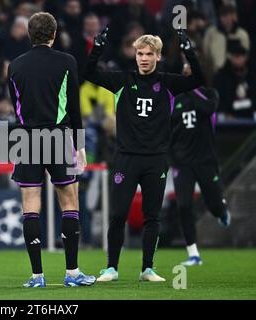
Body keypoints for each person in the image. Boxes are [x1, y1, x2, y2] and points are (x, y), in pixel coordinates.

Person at [85, 28, 204, 282]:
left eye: (149, 54)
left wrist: (189, 52)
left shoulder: (168, 83)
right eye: (140, 53)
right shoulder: (122, 80)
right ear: (135, 55)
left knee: (153, 216)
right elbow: (88, 74)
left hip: (156, 159)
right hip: (126, 158)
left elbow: (199, 79)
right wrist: (97, 48)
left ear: (158, 56)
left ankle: (147, 269)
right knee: (118, 214)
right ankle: (111, 268)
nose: (144, 58)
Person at [8, 12, 96, 288]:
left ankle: (37, 277)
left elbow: (17, 108)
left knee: (30, 206)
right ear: (53, 35)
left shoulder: (15, 66)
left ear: (29, 34)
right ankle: (72, 273)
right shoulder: (67, 62)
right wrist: (79, 145)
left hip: (27, 138)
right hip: (58, 136)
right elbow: (73, 108)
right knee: (69, 202)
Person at [170, 64, 231, 267]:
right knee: (184, 205)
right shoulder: (174, 100)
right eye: (185, 71)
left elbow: (209, 109)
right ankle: (193, 253)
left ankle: (221, 211)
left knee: (213, 204)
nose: (187, 73)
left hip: (206, 160)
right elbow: (168, 129)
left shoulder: (208, 94)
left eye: (191, 71)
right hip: (182, 163)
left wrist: (192, 88)